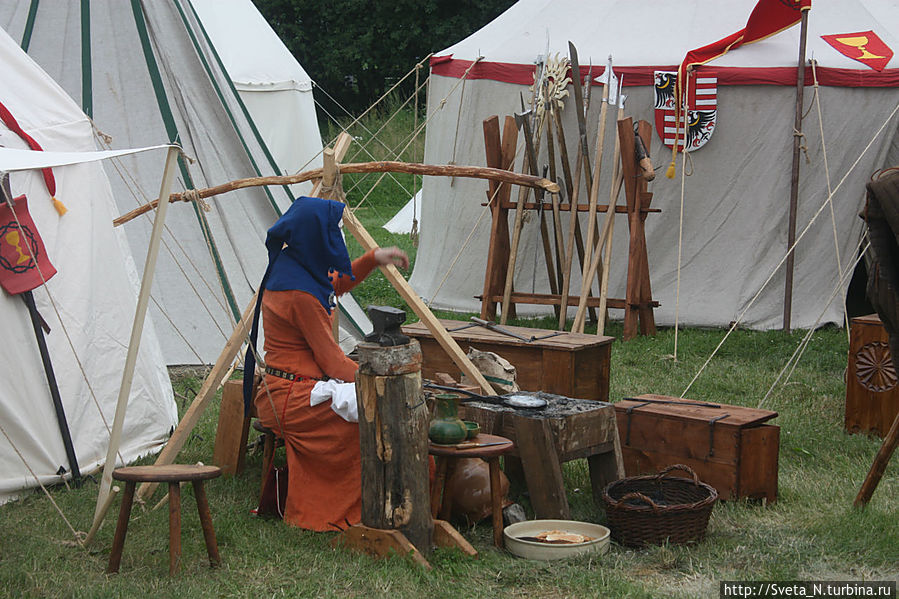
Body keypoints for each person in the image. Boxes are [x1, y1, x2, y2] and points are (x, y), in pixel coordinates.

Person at [245, 196, 408, 530]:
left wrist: (373, 258)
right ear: (317, 235)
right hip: (290, 397)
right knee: (363, 428)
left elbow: (335, 284)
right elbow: (333, 363)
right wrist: (379, 379)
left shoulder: (295, 265)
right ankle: (336, 512)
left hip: (297, 387)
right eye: (333, 231)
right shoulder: (300, 293)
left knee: (372, 417)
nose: (337, 237)